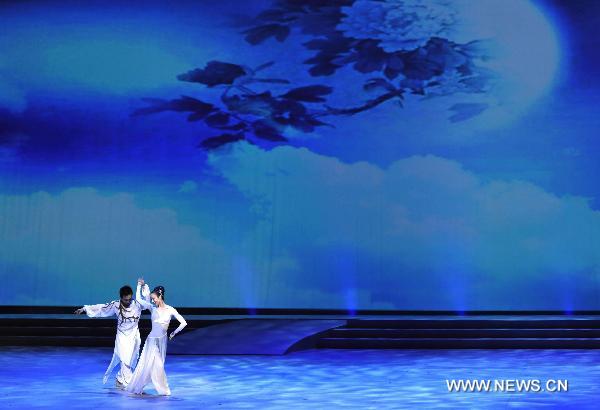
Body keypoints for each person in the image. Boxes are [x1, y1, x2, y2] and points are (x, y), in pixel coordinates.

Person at [74, 282, 151, 388]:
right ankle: (129, 383)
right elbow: (102, 308)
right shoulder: (116, 305)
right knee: (125, 358)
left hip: (134, 335)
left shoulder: (137, 304)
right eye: (125, 300)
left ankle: (120, 378)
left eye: (129, 299)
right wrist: (85, 308)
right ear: (121, 298)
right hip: (122, 336)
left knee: (132, 359)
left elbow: (147, 303)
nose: (127, 302)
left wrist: (143, 287)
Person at [126, 279, 187, 396]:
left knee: (157, 364)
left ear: (160, 296)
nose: (153, 301)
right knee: (150, 364)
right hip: (151, 341)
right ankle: (163, 390)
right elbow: (139, 300)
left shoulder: (170, 309)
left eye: (154, 298)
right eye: (152, 299)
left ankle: (158, 388)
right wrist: (139, 286)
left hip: (162, 341)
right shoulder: (152, 308)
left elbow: (183, 323)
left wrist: (173, 333)